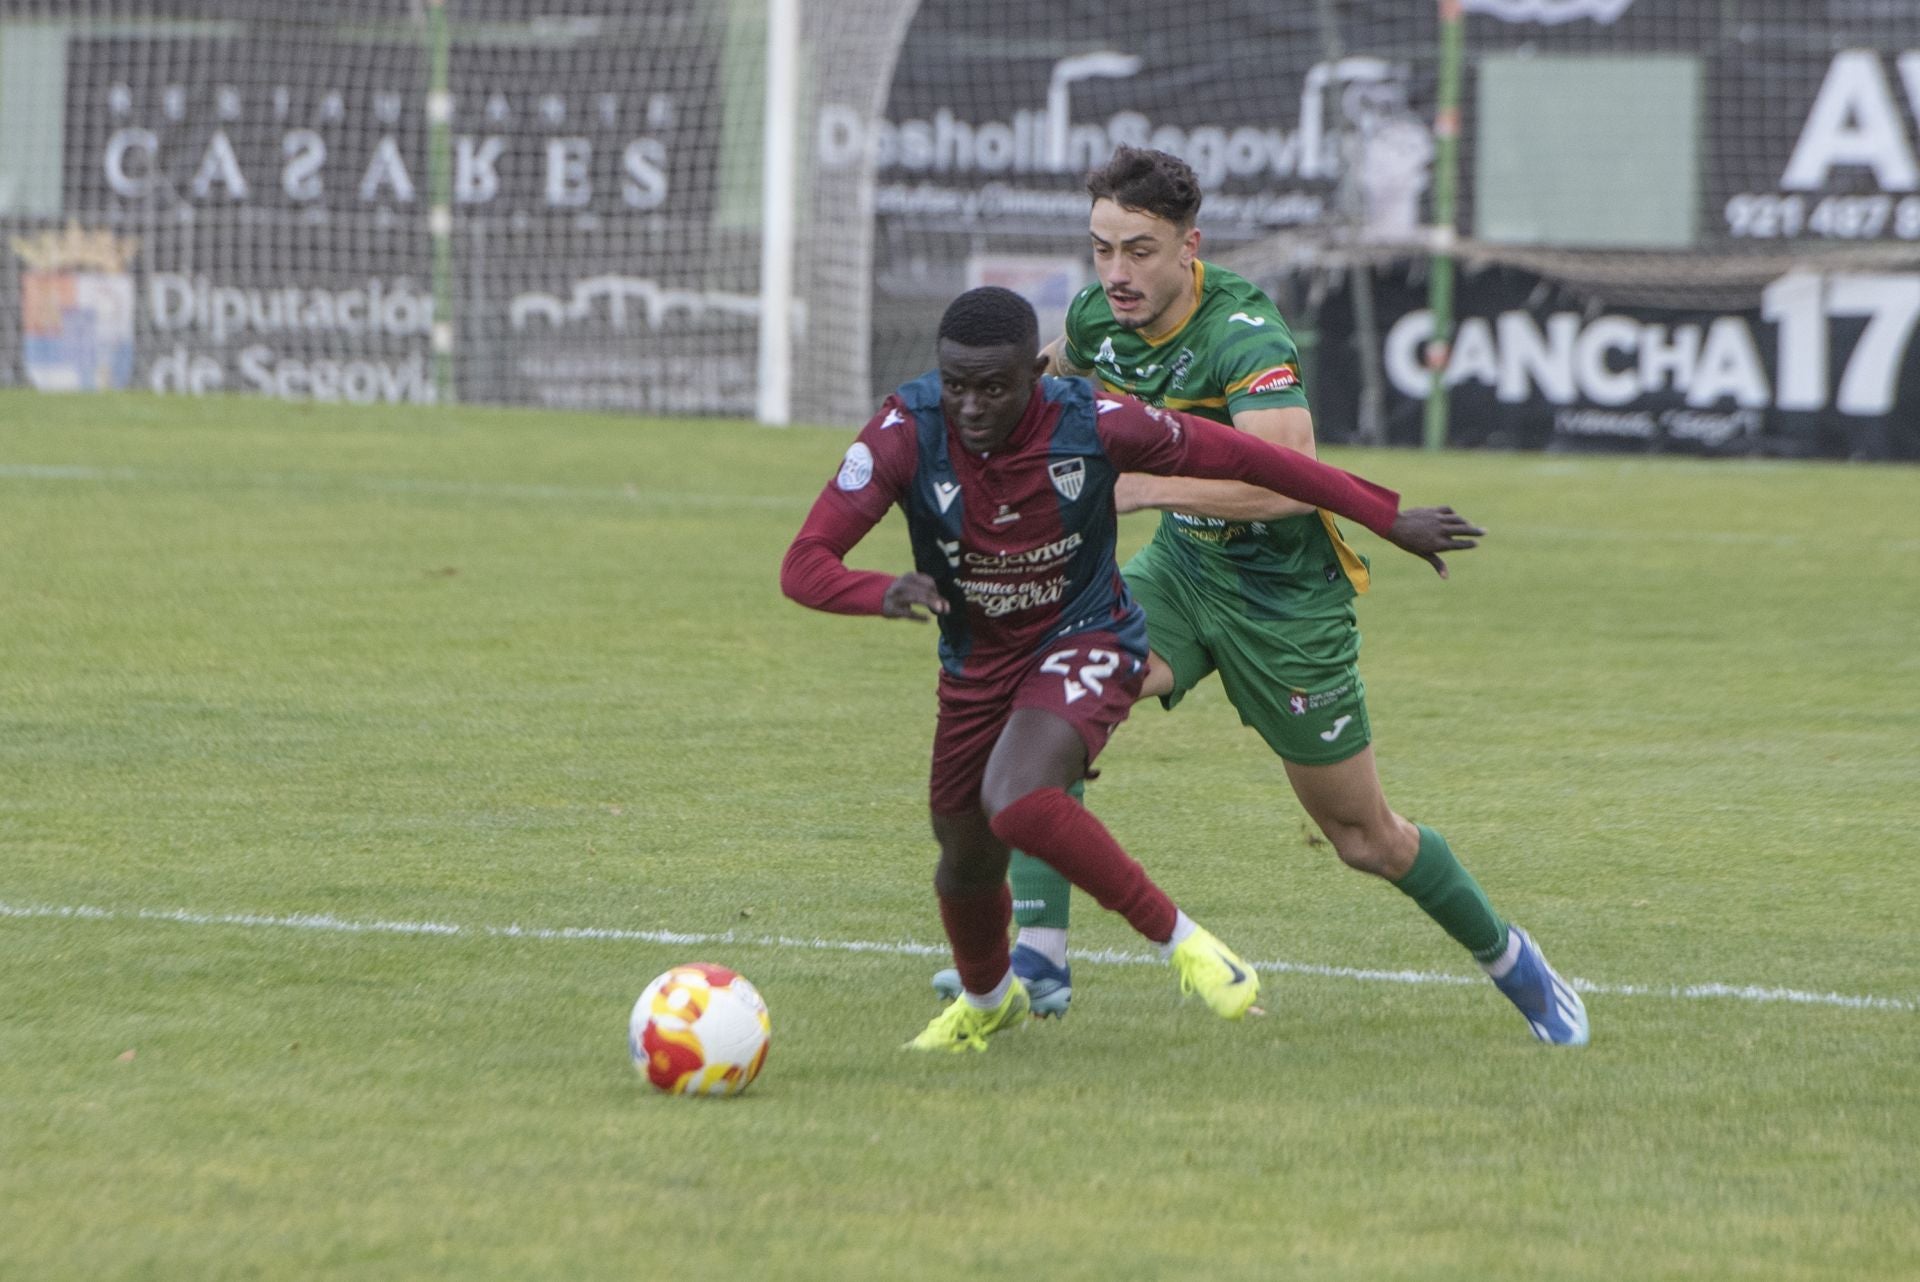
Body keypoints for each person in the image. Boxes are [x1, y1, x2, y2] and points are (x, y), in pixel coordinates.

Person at [932, 147, 1589, 1046]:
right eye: (1101, 249)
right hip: (1184, 575)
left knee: (1365, 839)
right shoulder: (1099, 315)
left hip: (1286, 605)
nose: (1116, 273)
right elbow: (1051, 370)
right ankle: (1039, 961)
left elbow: (1289, 483)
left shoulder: (1244, 334)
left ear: (1188, 247)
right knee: (1043, 698)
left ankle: (1514, 960)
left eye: (1139, 251)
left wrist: (1139, 488)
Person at [781, 285, 1485, 1053]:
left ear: (1037, 379)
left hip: (1089, 633)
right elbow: (804, 564)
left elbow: (1261, 460)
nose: (972, 407)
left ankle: (1182, 944)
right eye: (957, 386)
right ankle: (991, 1002)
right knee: (962, 862)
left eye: (993, 388)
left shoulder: (1093, 424)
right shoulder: (903, 430)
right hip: (979, 661)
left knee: (1017, 798)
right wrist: (879, 592)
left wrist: (1387, 518)